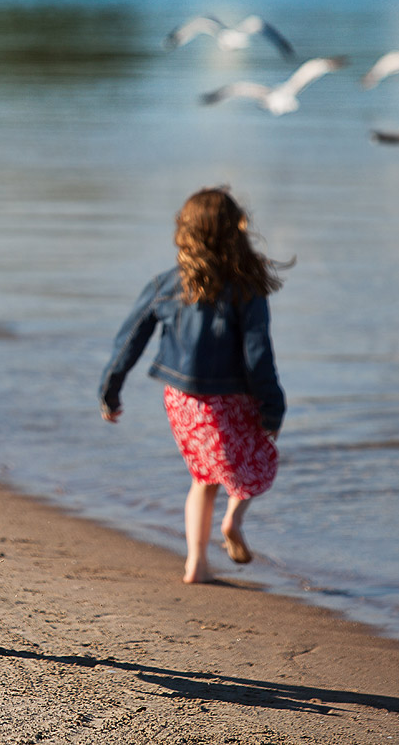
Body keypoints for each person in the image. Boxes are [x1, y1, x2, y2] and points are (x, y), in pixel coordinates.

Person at [98, 186, 286, 584]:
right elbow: (258, 354)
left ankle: (196, 564)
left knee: (204, 477)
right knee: (258, 459)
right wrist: (272, 405)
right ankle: (233, 519)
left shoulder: (166, 282)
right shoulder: (246, 287)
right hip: (231, 396)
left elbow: (129, 338)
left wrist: (110, 389)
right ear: (235, 232)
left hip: (184, 399)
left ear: (186, 231)